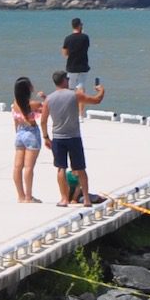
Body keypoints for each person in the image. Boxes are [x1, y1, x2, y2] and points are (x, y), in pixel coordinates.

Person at [43, 70, 105, 206]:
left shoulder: (49, 99)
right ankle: (87, 200)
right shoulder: (75, 95)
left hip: (58, 138)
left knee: (61, 169)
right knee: (80, 168)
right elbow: (96, 100)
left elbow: (43, 120)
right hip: (74, 137)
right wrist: (101, 90)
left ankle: (64, 199)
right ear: (65, 80)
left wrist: (46, 137)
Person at [8, 76, 43, 204]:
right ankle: (29, 197)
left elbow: (15, 122)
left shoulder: (15, 104)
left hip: (19, 134)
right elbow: (47, 107)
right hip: (31, 134)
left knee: (17, 167)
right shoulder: (32, 104)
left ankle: (21, 196)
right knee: (29, 167)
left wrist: (17, 133)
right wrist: (43, 96)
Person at [62, 17, 95, 95]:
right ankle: (81, 106)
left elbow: (65, 53)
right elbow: (86, 48)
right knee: (81, 86)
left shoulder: (68, 38)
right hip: (83, 66)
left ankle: (71, 105)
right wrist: (82, 33)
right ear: (80, 25)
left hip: (71, 66)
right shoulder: (85, 37)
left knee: (71, 88)